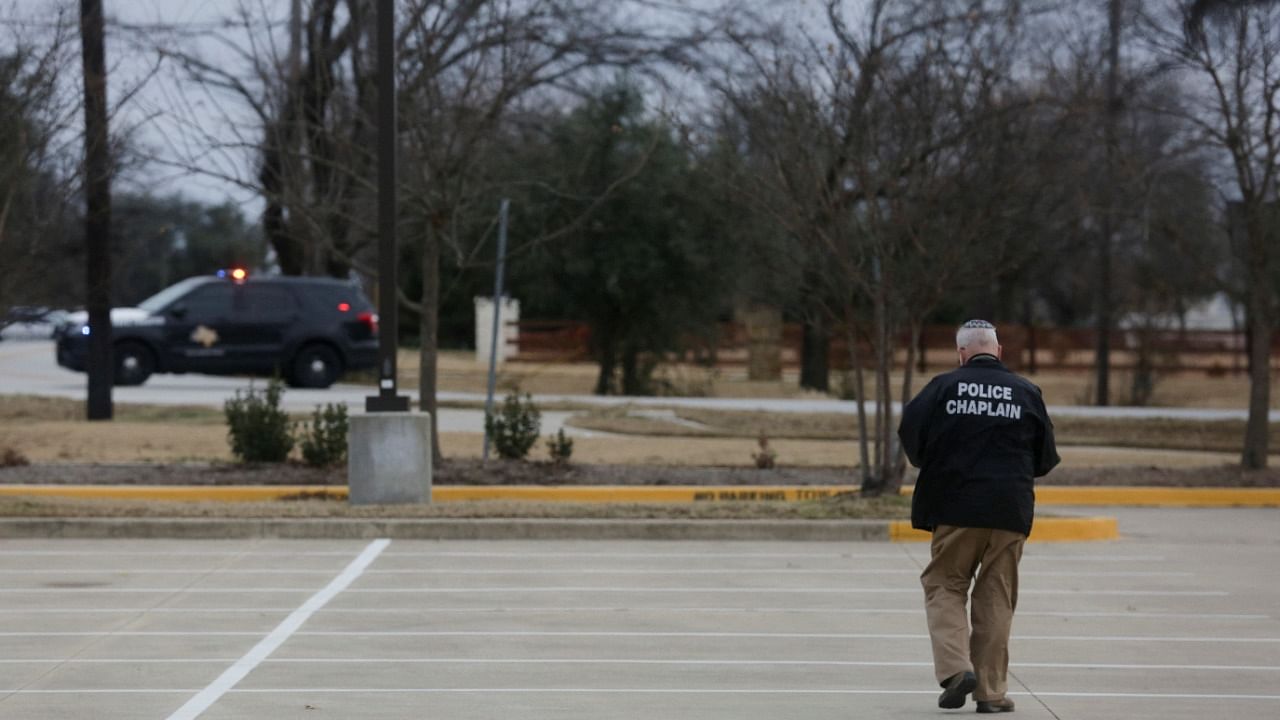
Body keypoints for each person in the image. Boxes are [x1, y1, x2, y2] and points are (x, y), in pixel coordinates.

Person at [897, 319, 1059, 713]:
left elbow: (911, 438)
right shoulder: (1026, 392)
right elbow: (1044, 458)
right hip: (1010, 509)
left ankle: (956, 671)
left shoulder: (941, 388)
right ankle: (991, 693)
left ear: (961, 353)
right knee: (996, 597)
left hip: (955, 506)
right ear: (998, 352)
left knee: (945, 584)